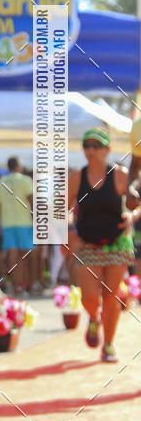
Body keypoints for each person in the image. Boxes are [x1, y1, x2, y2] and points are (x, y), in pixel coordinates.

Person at [67, 128, 140, 363]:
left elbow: (137, 203)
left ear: (107, 149)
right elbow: (62, 208)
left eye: (96, 146)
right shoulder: (77, 178)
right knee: (89, 297)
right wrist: (69, 231)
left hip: (117, 243)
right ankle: (93, 317)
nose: (91, 150)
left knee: (111, 297)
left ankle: (108, 344)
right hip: (88, 244)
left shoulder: (120, 175)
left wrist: (131, 216)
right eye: (87, 145)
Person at [0, 156, 34, 294]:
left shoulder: (0, 182)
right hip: (24, 222)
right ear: (18, 166)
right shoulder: (25, 180)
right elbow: (31, 200)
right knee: (25, 255)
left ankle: (17, 285)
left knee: (12, 254)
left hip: (7, 223)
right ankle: (24, 283)